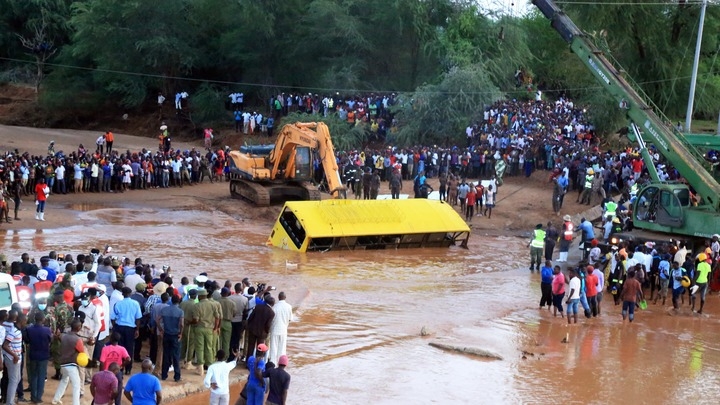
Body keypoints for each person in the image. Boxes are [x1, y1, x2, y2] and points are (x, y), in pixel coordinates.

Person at [51, 319, 89, 405]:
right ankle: (76, 403)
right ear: (79, 328)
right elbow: (81, 352)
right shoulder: (77, 339)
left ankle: (56, 399)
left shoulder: (64, 336)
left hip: (63, 363)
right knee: (76, 385)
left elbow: (59, 338)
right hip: (71, 364)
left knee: (64, 380)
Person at [110, 287, 142, 375]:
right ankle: (128, 368)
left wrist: (114, 327)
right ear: (131, 294)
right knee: (129, 348)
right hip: (130, 329)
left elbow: (112, 318)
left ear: (122, 294)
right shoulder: (135, 304)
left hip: (119, 327)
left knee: (120, 347)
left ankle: (120, 368)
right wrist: (137, 329)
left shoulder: (118, 304)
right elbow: (138, 318)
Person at [25, 312, 52, 403]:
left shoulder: (29, 329)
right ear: (43, 319)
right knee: (41, 376)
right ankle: (38, 397)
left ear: (34, 319)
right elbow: (50, 340)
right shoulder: (47, 330)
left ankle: (33, 396)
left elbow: (27, 340)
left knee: (34, 376)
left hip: (33, 355)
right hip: (43, 356)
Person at [158, 295, 183, 382]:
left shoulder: (164, 310)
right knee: (176, 356)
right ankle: (177, 376)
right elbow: (182, 324)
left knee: (166, 355)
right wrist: (181, 333)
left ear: (171, 300)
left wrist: (161, 329)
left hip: (166, 334)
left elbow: (157, 320)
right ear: (179, 301)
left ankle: (164, 375)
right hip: (175, 335)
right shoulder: (180, 311)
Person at [4, 313, 25, 405]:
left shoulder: (17, 330)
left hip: (16, 358)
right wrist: (15, 356)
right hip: (13, 359)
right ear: (22, 321)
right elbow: (5, 345)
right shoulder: (14, 331)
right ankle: (9, 402)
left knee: (17, 378)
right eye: (26, 320)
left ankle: (10, 400)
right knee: (13, 380)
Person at [267, 292, 292, 365]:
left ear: (278, 297)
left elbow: (271, 319)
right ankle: (281, 363)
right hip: (284, 330)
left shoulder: (274, 307)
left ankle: (273, 363)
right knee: (282, 347)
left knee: (273, 347)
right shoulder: (289, 307)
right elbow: (290, 319)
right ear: (285, 297)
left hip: (274, 329)